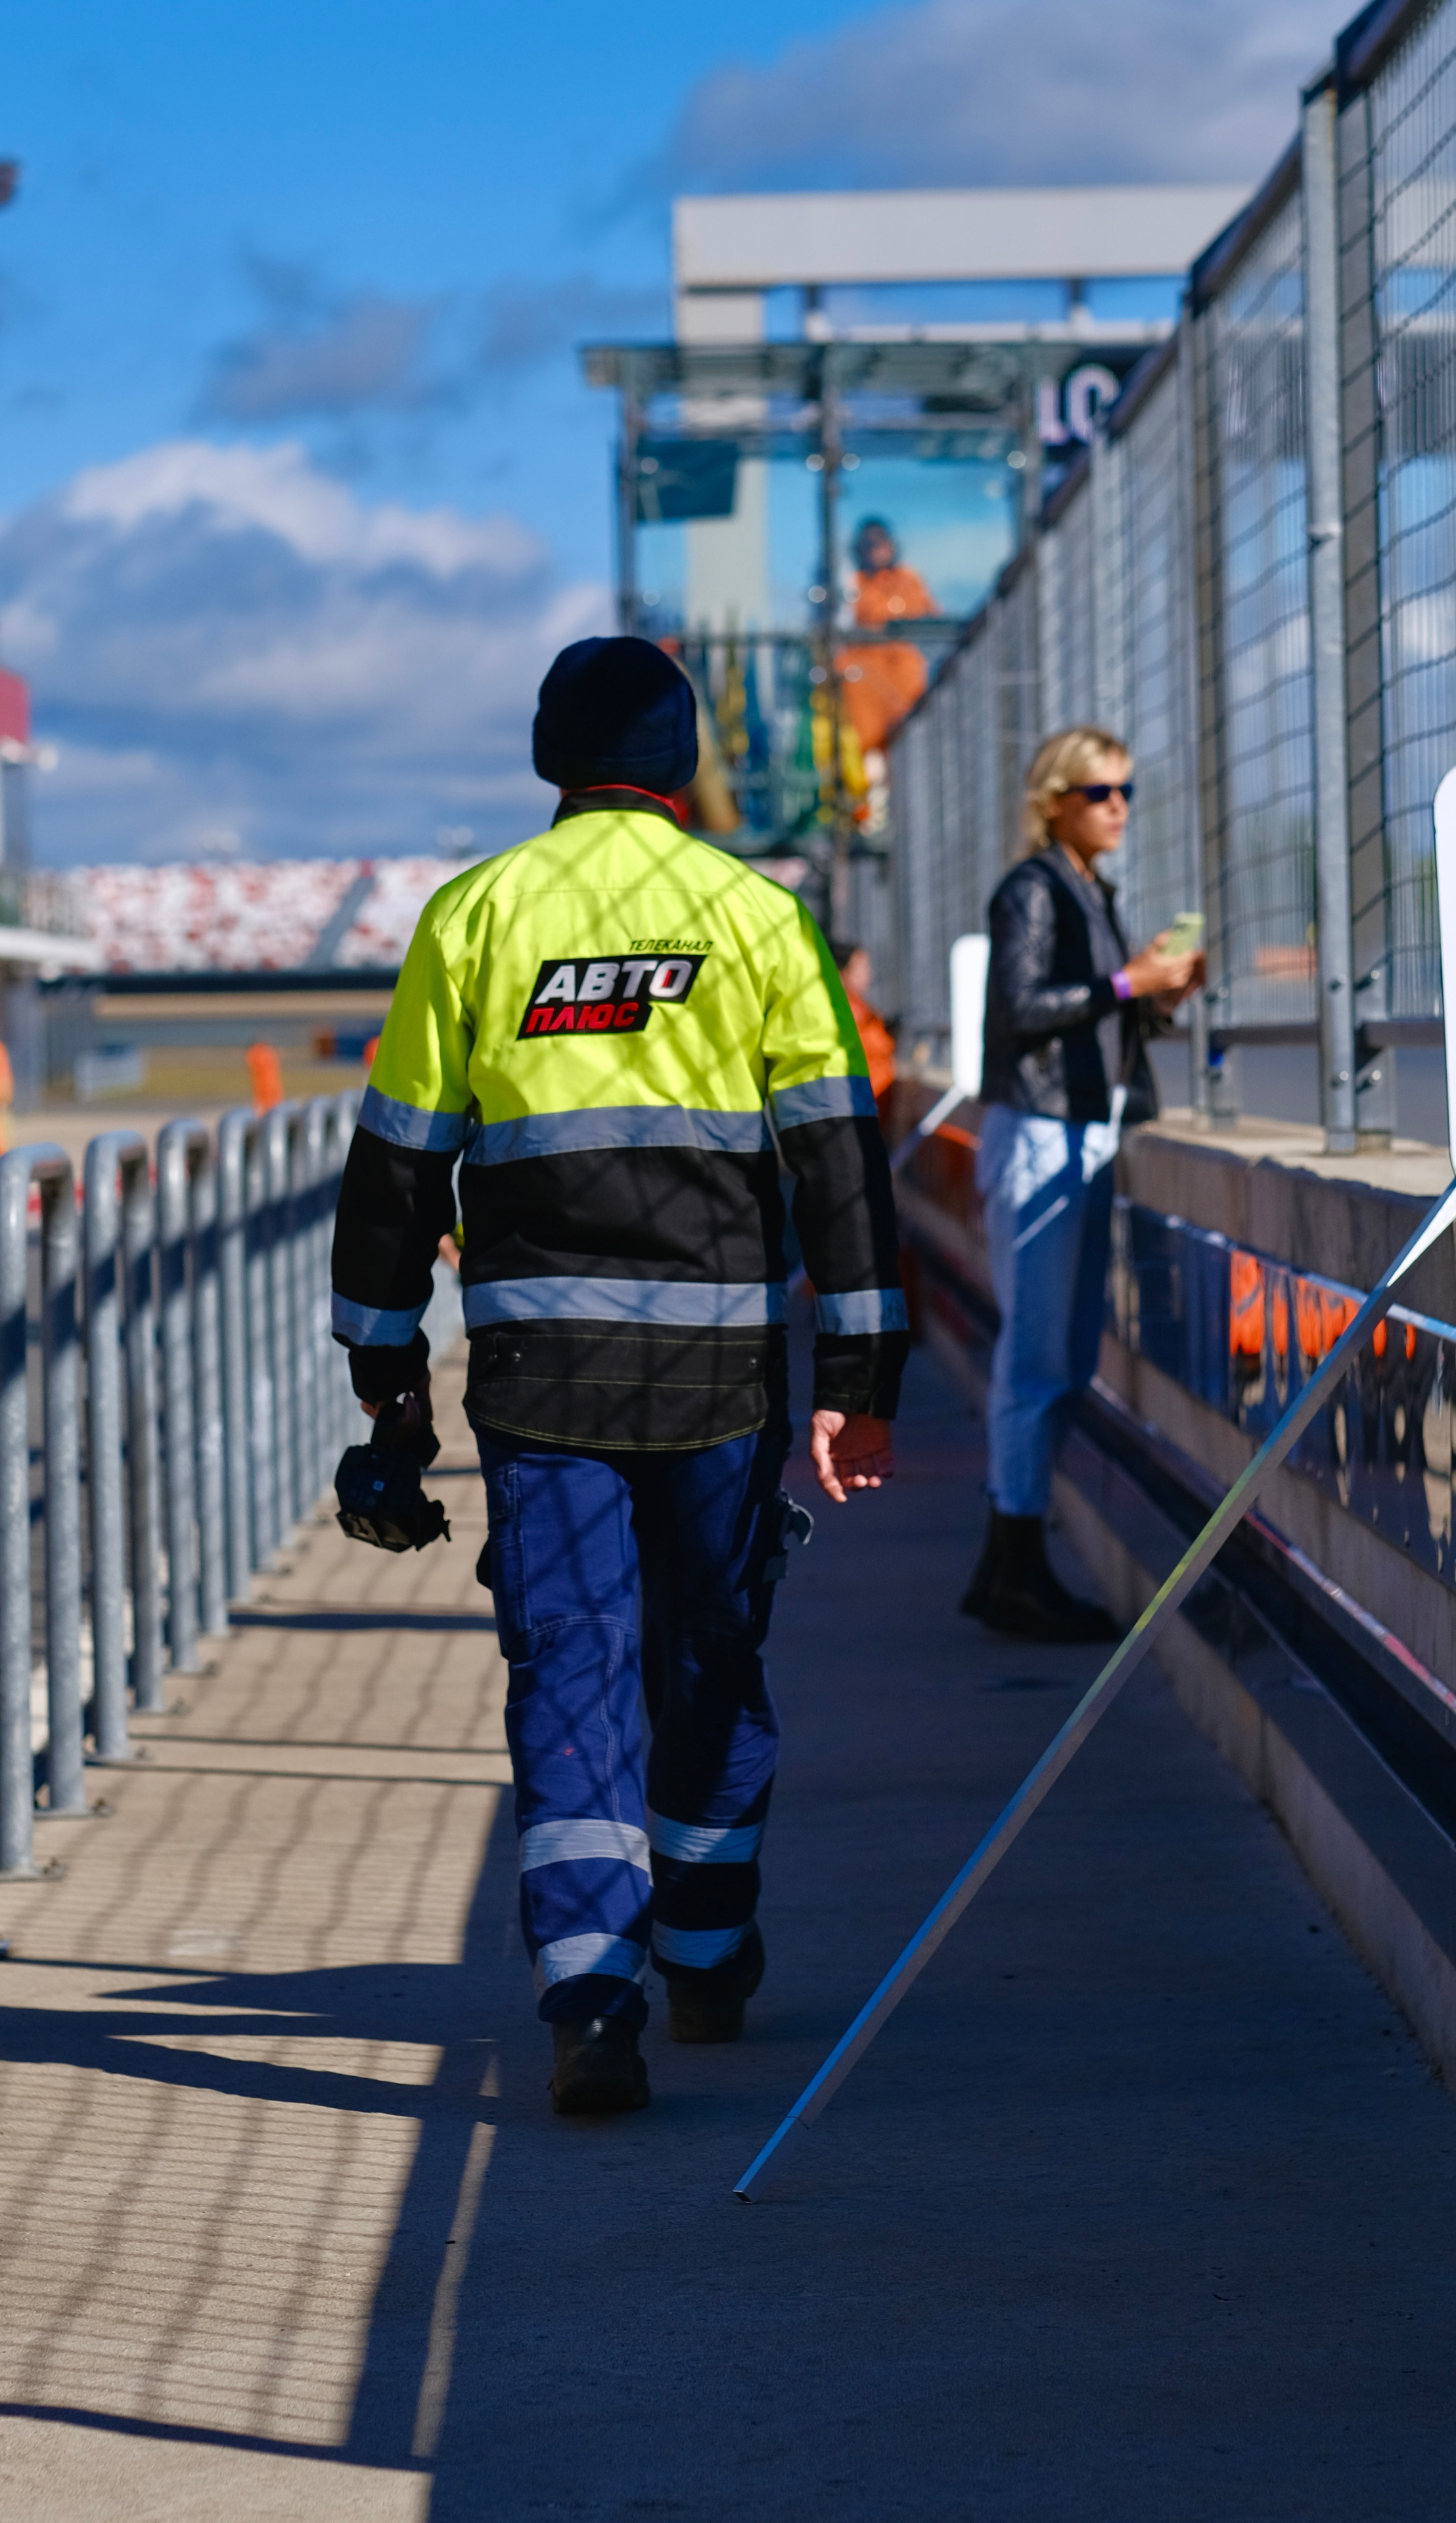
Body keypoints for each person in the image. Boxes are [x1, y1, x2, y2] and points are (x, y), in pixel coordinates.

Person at [331, 637, 908, 2117]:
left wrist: (384, 1367)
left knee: (569, 1666)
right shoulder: (755, 918)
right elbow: (836, 1159)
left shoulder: (475, 917)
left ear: (549, 757)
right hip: (715, 1375)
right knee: (711, 1652)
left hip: (537, 1383)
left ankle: (591, 1997)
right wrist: (861, 1367)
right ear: (687, 761)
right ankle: (707, 1959)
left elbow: (398, 1167)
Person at [961, 726, 1202, 1644]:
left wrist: (1156, 995)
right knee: (1036, 1362)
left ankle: (1006, 1561)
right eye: (1101, 791)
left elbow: (1094, 1014)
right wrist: (1123, 979)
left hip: (1080, 1129)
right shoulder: (1031, 889)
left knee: (1060, 1362)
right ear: (1055, 798)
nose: (1119, 808)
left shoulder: (1089, 889)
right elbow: (1020, 1010)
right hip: (1042, 1133)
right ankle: (1015, 1562)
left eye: (1126, 791)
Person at [835, 518, 940, 756]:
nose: (878, 550)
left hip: (906, 679)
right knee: (869, 749)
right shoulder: (853, 583)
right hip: (865, 682)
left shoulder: (910, 579)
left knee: (911, 740)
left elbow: (932, 618)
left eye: (882, 542)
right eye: (871, 544)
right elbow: (841, 627)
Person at [829, 940, 896, 1116]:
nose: (869, 975)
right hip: (855, 1110)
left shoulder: (862, 1010)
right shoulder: (842, 1012)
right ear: (841, 973)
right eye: (862, 969)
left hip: (871, 1107)